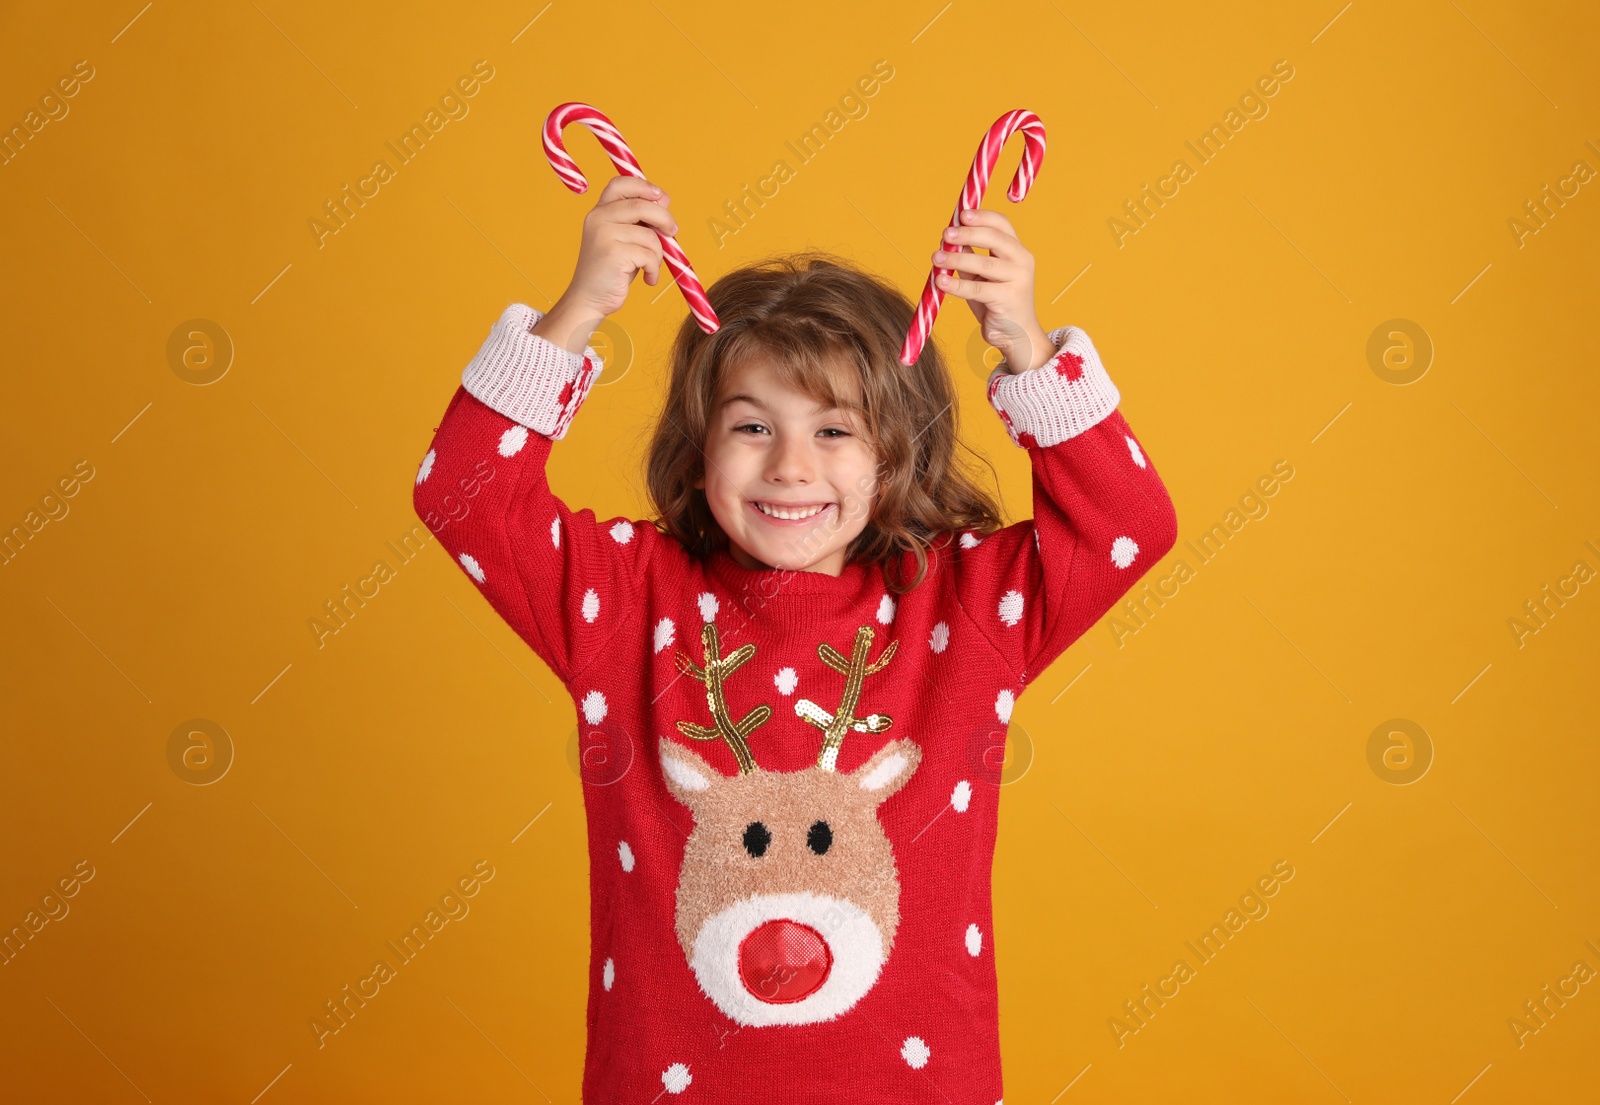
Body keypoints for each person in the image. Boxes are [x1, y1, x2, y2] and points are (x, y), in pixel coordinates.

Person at [412, 174, 1177, 1102]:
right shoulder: (626, 599)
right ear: (697, 448)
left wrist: (1028, 347)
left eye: (835, 430)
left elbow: (1127, 523)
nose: (790, 466)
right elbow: (461, 495)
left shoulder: (965, 601)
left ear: (896, 450)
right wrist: (579, 311)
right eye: (750, 425)